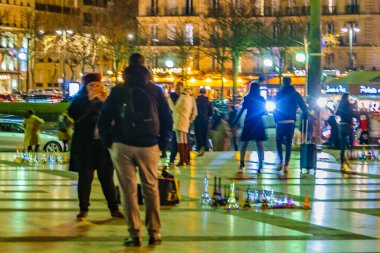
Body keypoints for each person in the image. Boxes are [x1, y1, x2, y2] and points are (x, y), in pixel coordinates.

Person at [98, 54, 173, 247]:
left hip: (122, 145)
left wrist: (109, 143)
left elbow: (103, 119)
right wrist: (162, 144)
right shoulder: (155, 91)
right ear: (145, 67)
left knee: (128, 191)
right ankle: (155, 232)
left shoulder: (118, 90)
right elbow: (167, 119)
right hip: (149, 145)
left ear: (127, 68)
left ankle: (134, 234)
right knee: (151, 188)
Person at [68, 73, 123, 221]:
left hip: (103, 145)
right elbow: (73, 114)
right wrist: (88, 100)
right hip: (85, 145)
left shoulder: (107, 100)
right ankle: (83, 209)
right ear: (85, 87)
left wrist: (104, 101)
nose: (94, 88)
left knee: (107, 179)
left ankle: (114, 209)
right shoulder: (79, 99)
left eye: (97, 85)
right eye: (91, 85)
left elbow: (117, 117)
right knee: (85, 178)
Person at [274, 77, 308, 173]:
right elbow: (304, 107)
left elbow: (274, 108)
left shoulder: (279, 94)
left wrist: (276, 119)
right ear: (291, 82)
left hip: (280, 122)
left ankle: (280, 160)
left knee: (279, 142)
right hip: (290, 122)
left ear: (283, 83)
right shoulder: (295, 94)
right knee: (289, 143)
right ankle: (286, 165)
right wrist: (304, 116)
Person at [233, 83, 267, 173]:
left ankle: (242, 163)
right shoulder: (261, 99)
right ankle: (260, 164)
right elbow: (265, 112)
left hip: (249, 121)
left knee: (244, 143)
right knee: (259, 144)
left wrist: (235, 122)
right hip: (258, 122)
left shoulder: (247, 98)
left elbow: (242, 110)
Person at [168, 86, 197, 166]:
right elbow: (194, 112)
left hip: (179, 122)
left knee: (180, 142)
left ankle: (182, 160)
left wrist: (169, 100)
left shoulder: (183, 98)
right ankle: (186, 159)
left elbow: (175, 109)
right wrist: (190, 120)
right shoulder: (190, 98)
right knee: (184, 141)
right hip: (185, 122)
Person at [336, 93, 355, 170]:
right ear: (347, 97)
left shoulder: (340, 105)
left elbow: (337, 113)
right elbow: (352, 114)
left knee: (342, 145)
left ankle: (342, 161)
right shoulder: (349, 105)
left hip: (342, 125)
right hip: (348, 125)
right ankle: (350, 154)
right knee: (351, 141)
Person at [168, 82, 183, 168]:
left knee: (183, 142)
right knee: (174, 141)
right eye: (177, 89)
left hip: (182, 122)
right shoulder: (172, 97)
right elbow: (173, 109)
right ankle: (172, 160)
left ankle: (183, 159)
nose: (178, 90)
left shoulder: (183, 97)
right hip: (174, 122)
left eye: (179, 89)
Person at [194, 88, 213, 156]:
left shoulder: (196, 101)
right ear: (205, 93)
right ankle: (205, 149)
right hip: (205, 120)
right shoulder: (208, 102)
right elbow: (211, 113)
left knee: (198, 135)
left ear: (199, 92)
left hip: (197, 120)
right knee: (205, 135)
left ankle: (199, 148)